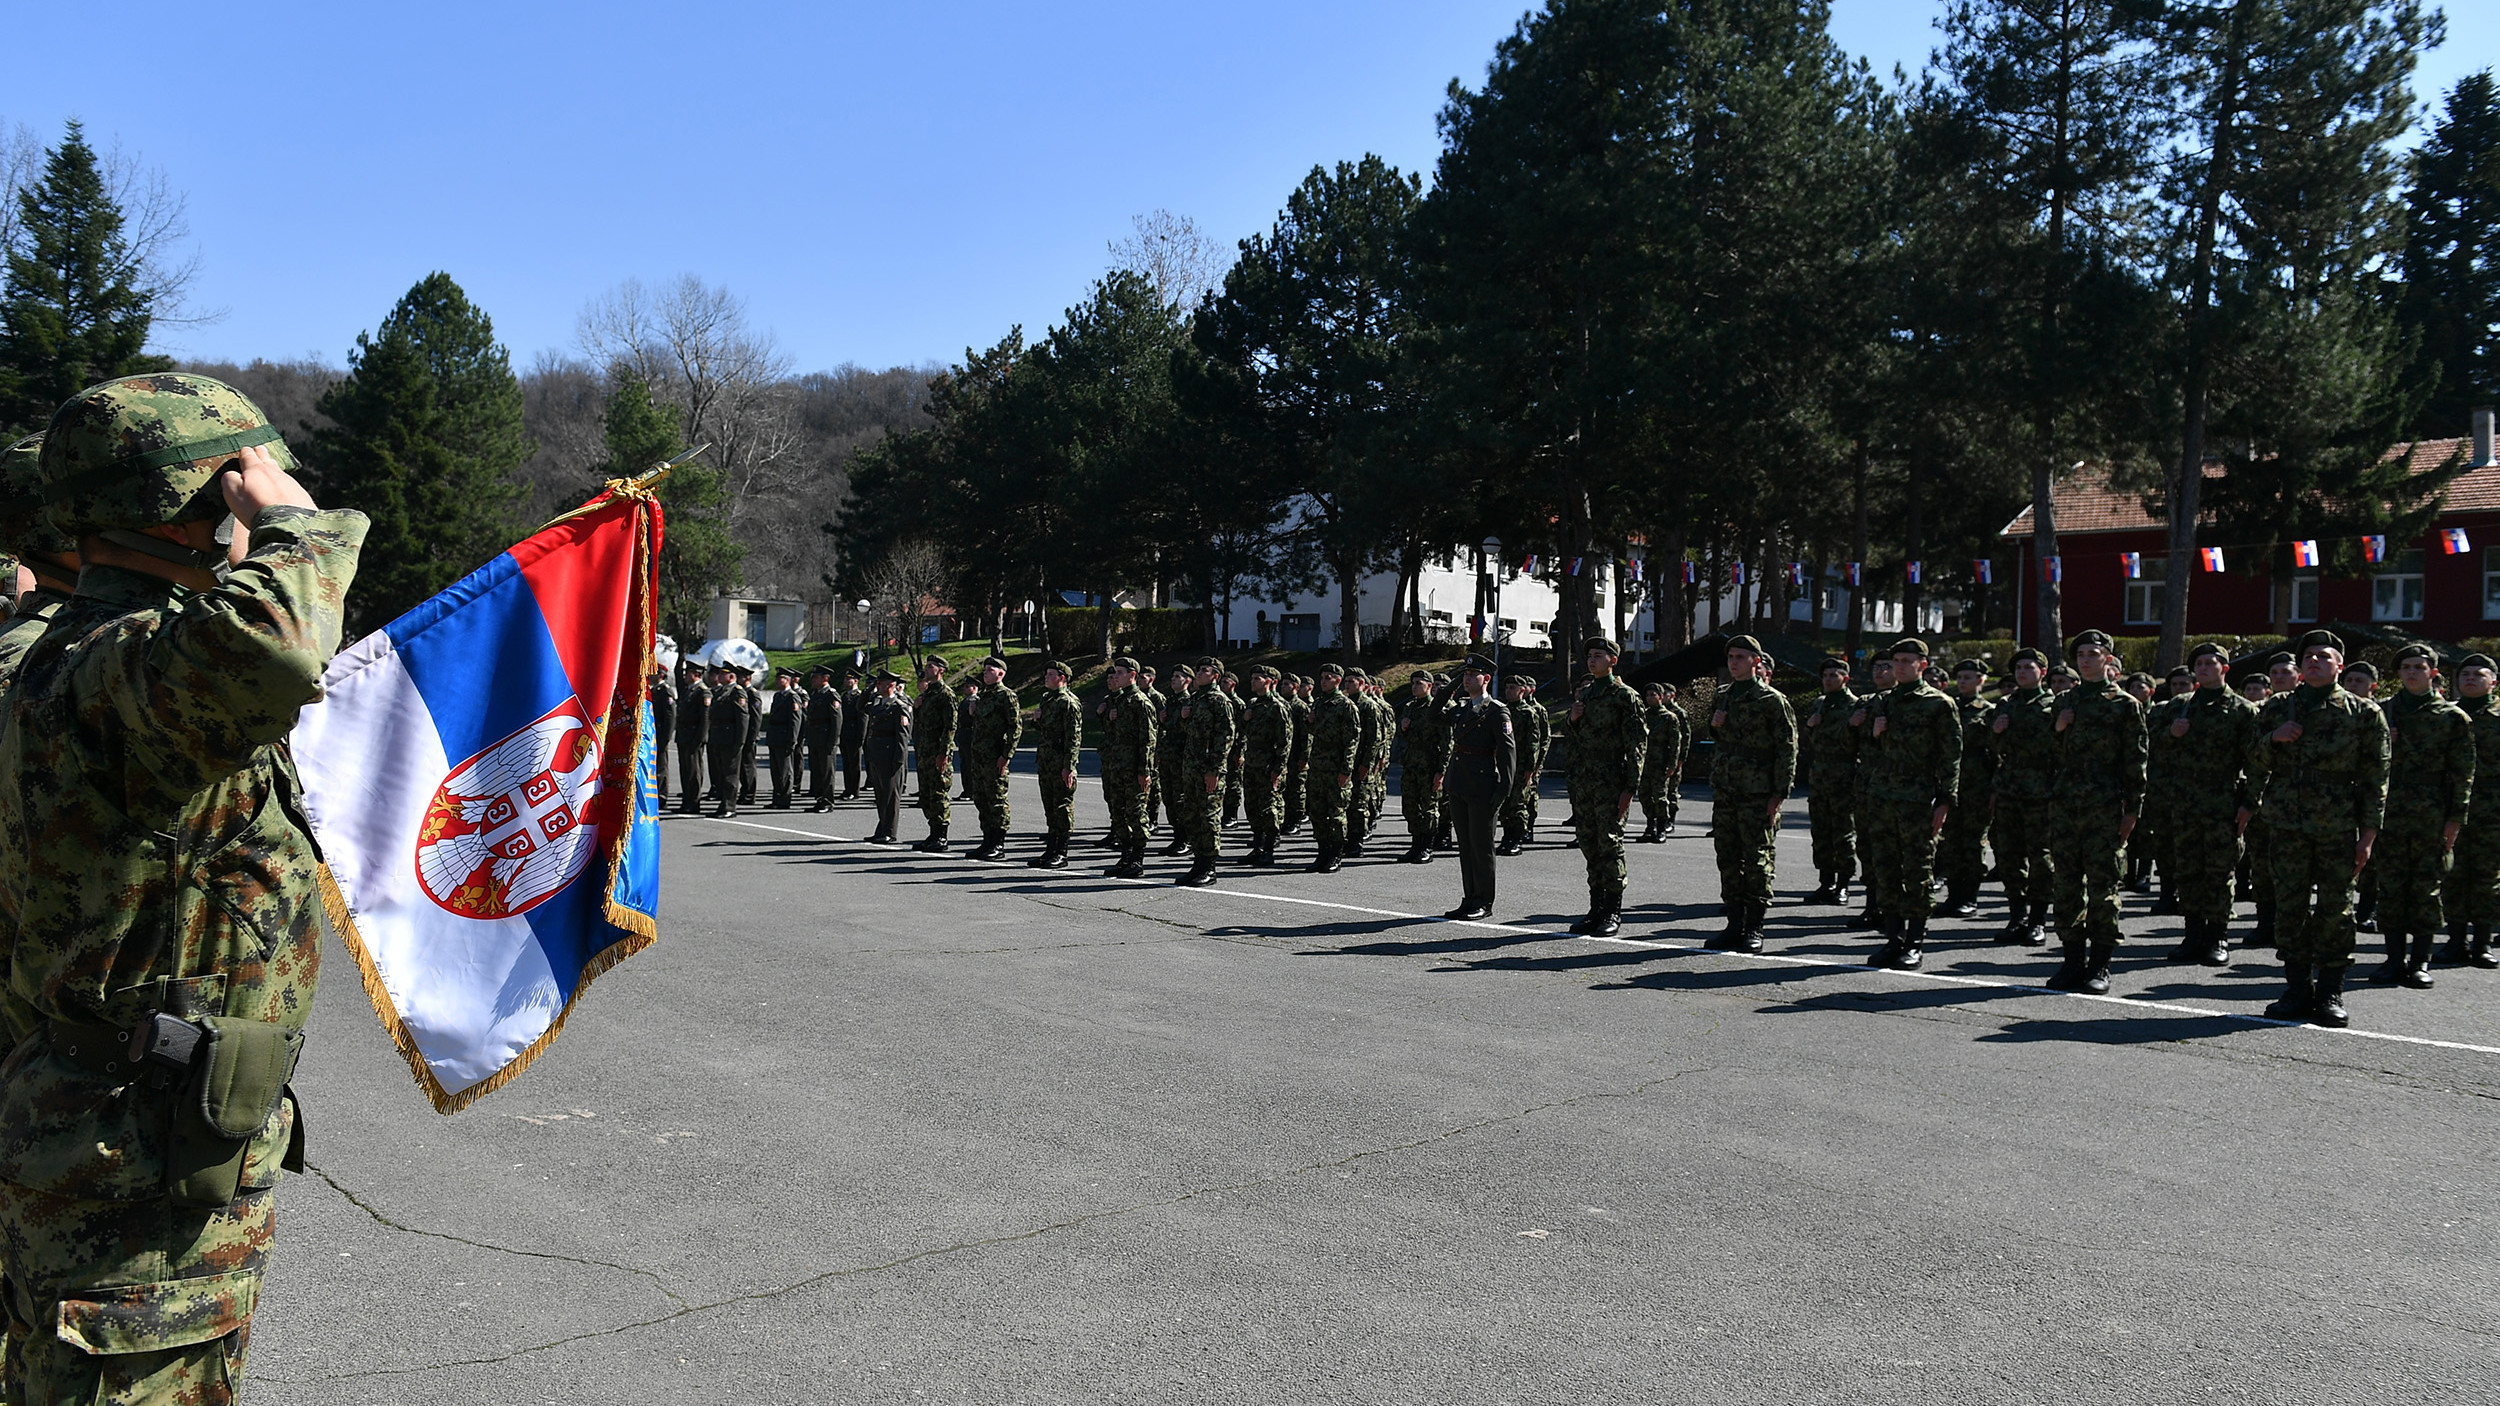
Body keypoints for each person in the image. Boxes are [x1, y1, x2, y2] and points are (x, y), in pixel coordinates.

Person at [0, 374, 368, 1404]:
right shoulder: (124, 675)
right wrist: (299, 526)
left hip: (99, 1136)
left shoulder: (55, 661)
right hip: (132, 1179)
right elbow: (271, 647)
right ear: (202, 512)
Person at [2249, 631, 2388, 1026]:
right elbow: (2251, 758)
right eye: (2308, 657)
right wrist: (2274, 739)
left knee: (2335, 909)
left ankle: (2330, 991)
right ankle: (2295, 988)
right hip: (2287, 823)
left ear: (2339, 666)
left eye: (2324, 657)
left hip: (2337, 825)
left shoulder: (2363, 712)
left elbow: (2377, 778)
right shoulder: (2278, 707)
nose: (2314, 662)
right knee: (2290, 907)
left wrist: (2368, 836)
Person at [2045, 631, 2145, 993]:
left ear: (2107, 660)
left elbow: (2136, 762)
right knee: (2067, 885)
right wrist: (2059, 728)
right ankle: (2072, 961)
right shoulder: (2063, 702)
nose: (2086, 659)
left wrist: (2132, 810)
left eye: (2093, 653)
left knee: (2103, 888)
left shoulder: (2124, 705)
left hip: (2105, 807)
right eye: (2081, 654)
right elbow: (2046, 756)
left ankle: (2100, 965)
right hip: (2067, 806)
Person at [2368, 644, 2471, 989]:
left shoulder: (2452, 718)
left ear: (2433, 674)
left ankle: (2420, 962)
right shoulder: (2382, 713)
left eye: (2418, 667)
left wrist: (2455, 819)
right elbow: (2364, 766)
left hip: (2432, 812)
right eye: (2406, 667)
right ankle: (2393, 960)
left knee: (2427, 889)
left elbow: (2463, 773)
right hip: (2390, 812)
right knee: (2392, 887)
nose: (2412, 672)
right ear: (2398, 674)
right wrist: (2384, 744)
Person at [1856, 639, 1961, 969]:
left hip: (1918, 801)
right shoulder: (1883, 703)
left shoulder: (1938, 705)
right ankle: (1893, 938)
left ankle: (1915, 941)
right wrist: (1873, 733)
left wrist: (1945, 801)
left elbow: (1951, 758)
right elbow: (1860, 750)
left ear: (1922, 665)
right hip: (1883, 799)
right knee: (1885, 870)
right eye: (1895, 661)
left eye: (1906, 661)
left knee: (1916, 872)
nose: (1899, 666)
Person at [2160, 643, 2260, 966]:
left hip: (2223, 801)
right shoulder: (2179, 706)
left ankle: (2218, 935)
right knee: (2188, 870)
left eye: (2210, 663)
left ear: (2225, 668)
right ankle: (2192, 934)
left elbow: (2258, 762)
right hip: (2185, 802)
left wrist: (2250, 803)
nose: (2203, 668)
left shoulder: (2243, 710)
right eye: (2198, 664)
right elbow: (2149, 745)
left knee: (2220, 871)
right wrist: (2171, 735)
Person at [1564, 638, 1648, 936]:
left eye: (1598, 656)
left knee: (1610, 846)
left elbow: (1637, 744)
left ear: (1613, 661)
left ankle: (1613, 910)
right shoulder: (1587, 694)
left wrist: (1630, 788)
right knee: (1590, 845)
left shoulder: (1625, 697)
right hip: (1585, 782)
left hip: (1611, 783)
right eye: (1589, 656)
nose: (1592, 660)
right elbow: (1574, 736)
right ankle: (1596, 908)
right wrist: (1572, 720)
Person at [1987, 649, 2058, 946]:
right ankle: (2017, 917)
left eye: (2029, 667)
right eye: (2018, 667)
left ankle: (2038, 920)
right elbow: (1988, 747)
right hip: (2009, 790)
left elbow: (2064, 746)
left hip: (2041, 792)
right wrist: (1995, 731)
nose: (2022, 672)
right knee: (2009, 855)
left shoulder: (2055, 705)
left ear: (2043, 671)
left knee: (2041, 857)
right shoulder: (2005, 705)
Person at [1442, 655, 1516, 920]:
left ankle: (1484, 901)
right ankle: (1469, 897)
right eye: (1465, 674)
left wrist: (1502, 792)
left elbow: (1507, 756)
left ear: (1486, 679)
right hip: (1459, 783)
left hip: (1483, 787)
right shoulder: (1461, 708)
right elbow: (1432, 716)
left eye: (1473, 674)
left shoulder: (1497, 711)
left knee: (1481, 847)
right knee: (1465, 845)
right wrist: (1451, 686)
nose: (1467, 678)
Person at [2442, 654, 2500, 970]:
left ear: (2493, 681)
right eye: (2465, 674)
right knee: (2452, 874)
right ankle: (2454, 940)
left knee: (2486, 877)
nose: (2470, 679)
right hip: (2450, 808)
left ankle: (2482, 943)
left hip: (2491, 810)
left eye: (2479, 674)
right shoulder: (2447, 715)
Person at [1936, 657, 1994, 919]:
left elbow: (1997, 753)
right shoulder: (1948, 707)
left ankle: (1969, 897)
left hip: (1976, 787)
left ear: (1981, 680)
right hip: (1951, 786)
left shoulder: (1989, 711)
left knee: (1972, 844)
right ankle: (1952, 895)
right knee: (1950, 843)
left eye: (1969, 677)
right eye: (1960, 677)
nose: (1963, 682)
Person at [1802, 657, 1861, 905]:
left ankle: (1843, 884)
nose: (1827, 680)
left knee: (1843, 832)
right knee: (1821, 831)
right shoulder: (1820, 704)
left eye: (1833, 676)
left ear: (1845, 678)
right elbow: (1809, 742)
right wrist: (1809, 725)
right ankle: (1825, 883)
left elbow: (1855, 743)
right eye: (1825, 675)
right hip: (1820, 776)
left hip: (1844, 777)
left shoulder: (1855, 706)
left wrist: (1848, 726)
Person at [1177, 656, 1237, 886]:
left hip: (1208, 770)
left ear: (1216, 676)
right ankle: (1197, 863)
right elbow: (1192, 733)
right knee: (1192, 815)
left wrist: (1214, 769)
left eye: (1205, 670)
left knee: (1209, 817)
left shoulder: (1218, 700)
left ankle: (1209, 868)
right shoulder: (1196, 699)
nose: (1199, 673)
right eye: (1198, 669)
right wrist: (1184, 718)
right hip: (1192, 768)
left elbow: (1225, 738)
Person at [1847, 657, 1896, 930]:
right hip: (1867, 784)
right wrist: (1851, 725)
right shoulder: (1864, 702)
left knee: (1892, 849)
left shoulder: (1902, 701)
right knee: (1866, 846)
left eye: (1887, 666)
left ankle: (1893, 909)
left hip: (1895, 785)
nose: (1881, 671)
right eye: (1877, 667)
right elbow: (1844, 746)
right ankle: (1872, 905)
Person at [1097, 658, 1158, 876]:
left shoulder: (1141, 702)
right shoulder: (1119, 701)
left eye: (1120, 672)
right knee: (1118, 813)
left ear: (1132, 675)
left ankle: (1137, 860)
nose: (1116, 676)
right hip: (1117, 767)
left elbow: (1148, 741)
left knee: (1136, 814)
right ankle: (1125, 856)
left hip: (1134, 770)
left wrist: (1145, 772)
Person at [960, 655, 1022, 861]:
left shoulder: (1007, 696)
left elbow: (1015, 728)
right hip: (979, 757)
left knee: (996, 800)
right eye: (984, 670)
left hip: (995, 756)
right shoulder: (983, 697)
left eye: (989, 670)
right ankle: (987, 841)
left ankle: (998, 844)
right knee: (982, 799)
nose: (985, 673)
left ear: (1001, 674)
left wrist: (1007, 756)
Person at [1304, 664, 1362, 872]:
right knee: (1317, 813)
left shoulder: (1346, 705)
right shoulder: (1319, 703)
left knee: (1336, 814)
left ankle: (1336, 854)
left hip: (1336, 768)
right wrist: (1310, 721)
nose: (1324, 680)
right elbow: (1314, 732)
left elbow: (1352, 741)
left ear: (1338, 681)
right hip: (1318, 767)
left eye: (1329, 677)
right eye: (1322, 677)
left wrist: (1345, 770)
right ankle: (1322, 852)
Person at [1028, 660, 1082, 868]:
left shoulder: (1068, 702)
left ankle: (1062, 852)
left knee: (1062, 807)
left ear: (1062, 678)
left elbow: (1074, 737)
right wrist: (1036, 720)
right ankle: (1050, 849)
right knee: (1050, 807)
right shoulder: (1047, 699)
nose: (1046, 677)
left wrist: (1069, 766)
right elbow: (1045, 729)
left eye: (1050, 674)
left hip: (1061, 763)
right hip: (1046, 761)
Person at [1238, 666, 1292, 866]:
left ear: (1269, 681)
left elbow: (1285, 741)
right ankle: (1257, 847)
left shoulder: (1278, 706)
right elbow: (1242, 732)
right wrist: (1245, 719)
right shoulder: (1252, 704)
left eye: (1257, 678)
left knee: (1269, 809)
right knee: (1252, 807)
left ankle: (1268, 850)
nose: (1253, 682)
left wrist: (1278, 769)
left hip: (1269, 765)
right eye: (1252, 678)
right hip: (1252, 763)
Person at [1398, 671, 1450, 864]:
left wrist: (1441, 771)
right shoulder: (1409, 707)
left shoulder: (1437, 708)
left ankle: (1427, 846)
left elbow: (1447, 743)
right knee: (1410, 806)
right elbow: (1404, 738)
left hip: (1429, 765)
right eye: (1412, 683)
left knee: (1428, 807)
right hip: (1411, 764)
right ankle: (1415, 845)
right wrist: (1403, 728)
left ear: (1429, 686)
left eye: (1419, 683)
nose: (1414, 687)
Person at [1497, 675, 1549, 856]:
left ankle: (1517, 838)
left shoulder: (1529, 713)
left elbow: (1534, 742)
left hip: (1520, 765)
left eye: (1513, 687)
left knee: (1518, 803)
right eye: (1507, 687)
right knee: (1505, 802)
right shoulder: (1501, 711)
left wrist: (1530, 768)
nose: (1508, 691)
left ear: (1522, 690)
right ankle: (1506, 836)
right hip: (1505, 764)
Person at [911, 657, 958, 851]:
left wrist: (944, 753)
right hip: (925, 751)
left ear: (940, 671)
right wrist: (916, 708)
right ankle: (932, 833)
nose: (926, 669)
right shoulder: (927, 694)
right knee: (927, 794)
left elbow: (950, 727)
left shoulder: (946, 694)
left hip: (938, 752)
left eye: (930, 667)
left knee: (939, 793)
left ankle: (941, 837)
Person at [861, 670, 910, 843]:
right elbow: (860, 707)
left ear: (890, 685)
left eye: (880, 683)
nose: (877, 685)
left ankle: (889, 832)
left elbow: (902, 737)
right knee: (880, 795)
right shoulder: (877, 703)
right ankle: (881, 828)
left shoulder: (899, 707)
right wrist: (868, 690)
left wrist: (898, 761)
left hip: (890, 756)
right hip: (876, 755)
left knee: (890, 796)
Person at [706, 662, 753, 818]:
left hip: (730, 739)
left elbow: (742, 720)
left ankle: (729, 807)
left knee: (730, 775)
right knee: (721, 773)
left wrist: (739, 742)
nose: (719, 676)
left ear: (731, 676)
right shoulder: (721, 692)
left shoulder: (737, 693)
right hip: (719, 738)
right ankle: (723, 804)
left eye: (722, 674)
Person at [1635, 682, 1677, 843]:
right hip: (1644, 763)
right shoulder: (1643, 716)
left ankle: (1661, 828)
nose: (1650, 698)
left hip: (1660, 763)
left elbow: (1675, 744)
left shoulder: (1669, 718)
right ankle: (1649, 826)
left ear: (1660, 697)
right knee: (1645, 796)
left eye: (1653, 695)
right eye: (1648, 695)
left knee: (1660, 797)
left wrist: (1672, 764)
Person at [763, 667, 806, 809]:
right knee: (775, 770)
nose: (776, 681)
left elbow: (795, 721)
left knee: (785, 771)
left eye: (779, 678)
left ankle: (784, 799)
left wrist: (792, 740)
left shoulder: (792, 697)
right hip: (775, 737)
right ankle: (777, 797)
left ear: (787, 680)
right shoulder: (778, 696)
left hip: (784, 738)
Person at [674, 661, 709, 815]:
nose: (685, 676)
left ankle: (694, 802)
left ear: (696, 675)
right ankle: (686, 800)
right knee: (685, 770)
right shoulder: (689, 690)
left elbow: (705, 719)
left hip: (693, 737)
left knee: (694, 771)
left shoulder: (703, 692)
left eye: (687, 673)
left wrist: (699, 739)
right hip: (684, 736)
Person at [803, 666, 840, 811]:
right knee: (817, 771)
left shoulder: (831, 695)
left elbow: (836, 721)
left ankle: (827, 801)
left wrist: (832, 742)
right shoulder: (816, 694)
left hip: (825, 740)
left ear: (825, 679)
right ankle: (819, 799)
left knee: (826, 772)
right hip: (815, 738)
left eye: (816, 677)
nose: (812, 680)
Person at [1281, 673, 1312, 836]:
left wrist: (1303, 757)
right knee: (1283, 790)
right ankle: (1284, 820)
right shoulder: (1280, 704)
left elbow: (1306, 736)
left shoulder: (1300, 707)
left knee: (1296, 790)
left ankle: (1295, 821)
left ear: (1295, 687)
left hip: (1295, 755)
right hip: (1283, 756)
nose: (1282, 686)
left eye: (1287, 684)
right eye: (1282, 684)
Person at [837, 668, 867, 798]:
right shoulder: (844, 696)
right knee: (846, 763)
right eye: (845, 679)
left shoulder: (859, 697)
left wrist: (860, 737)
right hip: (845, 734)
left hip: (854, 733)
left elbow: (863, 719)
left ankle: (854, 790)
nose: (845, 681)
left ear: (855, 681)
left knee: (854, 765)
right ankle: (847, 788)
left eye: (848, 679)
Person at [649, 668, 676, 804]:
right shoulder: (655, 690)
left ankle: (662, 794)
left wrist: (666, 737)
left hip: (660, 733)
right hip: (654, 733)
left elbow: (670, 717)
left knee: (661, 766)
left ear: (661, 675)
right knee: (655, 765)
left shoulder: (665, 691)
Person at [738, 665, 763, 804]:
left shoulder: (752, 694)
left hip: (749, 736)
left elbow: (756, 718)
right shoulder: (741, 692)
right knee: (742, 766)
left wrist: (752, 737)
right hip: (742, 735)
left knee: (748, 766)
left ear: (747, 678)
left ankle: (749, 794)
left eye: (740, 676)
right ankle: (744, 791)